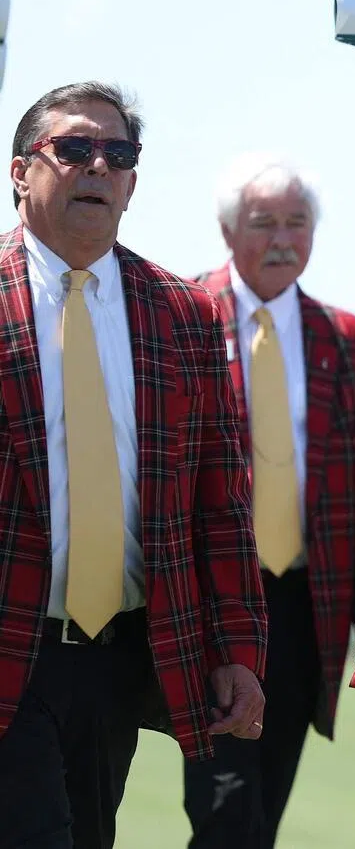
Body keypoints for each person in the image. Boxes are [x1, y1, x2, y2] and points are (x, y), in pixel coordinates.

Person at [0, 81, 268, 849]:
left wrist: (238, 650)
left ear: (133, 183)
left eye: (117, 154)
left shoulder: (182, 313)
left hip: (115, 657)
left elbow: (220, 502)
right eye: (74, 148)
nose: (98, 167)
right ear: (20, 172)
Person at [181, 154, 355, 848]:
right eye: (263, 222)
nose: (281, 239)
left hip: (305, 609)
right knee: (226, 807)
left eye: (297, 223)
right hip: (211, 602)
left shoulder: (354, 344)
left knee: (262, 808)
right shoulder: (178, 318)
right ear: (227, 230)